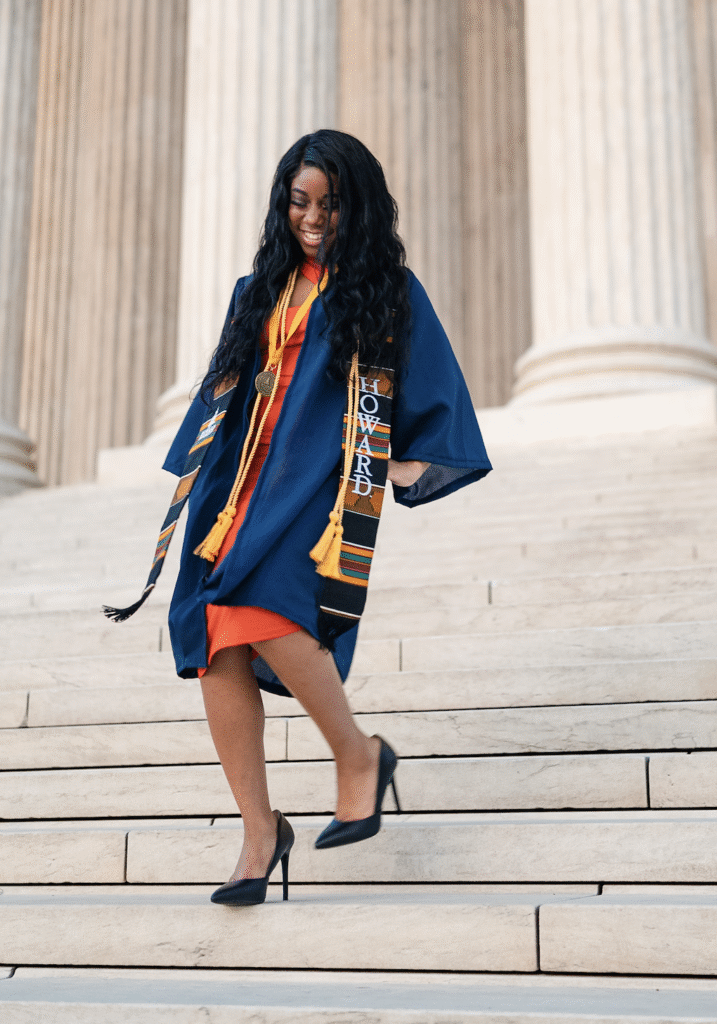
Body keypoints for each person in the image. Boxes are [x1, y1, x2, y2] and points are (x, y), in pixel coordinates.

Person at [157, 130, 490, 906]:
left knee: (262, 605)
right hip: (234, 488)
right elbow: (221, 392)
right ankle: (259, 831)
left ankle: (358, 755)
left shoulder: (386, 291)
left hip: (313, 483)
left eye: (329, 203)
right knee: (213, 639)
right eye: (299, 202)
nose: (312, 217)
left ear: (357, 206)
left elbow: (433, 386)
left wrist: (406, 466)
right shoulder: (258, 289)